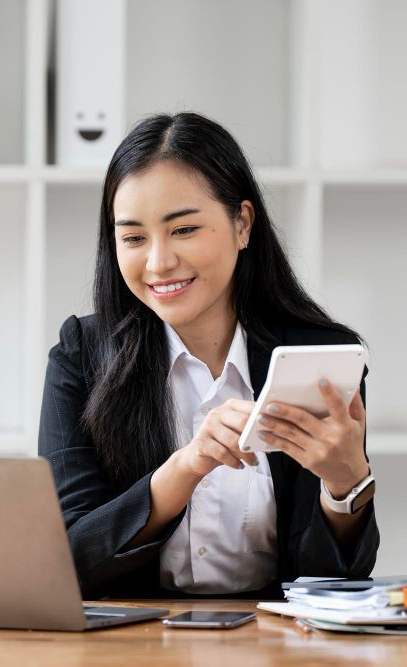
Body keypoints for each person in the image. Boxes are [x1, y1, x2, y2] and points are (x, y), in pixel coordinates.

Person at [39, 112, 378, 600]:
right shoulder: (82, 356)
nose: (158, 262)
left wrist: (346, 488)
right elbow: (65, 561)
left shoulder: (316, 358)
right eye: (133, 238)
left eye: (183, 230)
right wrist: (185, 468)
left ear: (242, 223)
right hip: (131, 649)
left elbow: (335, 585)